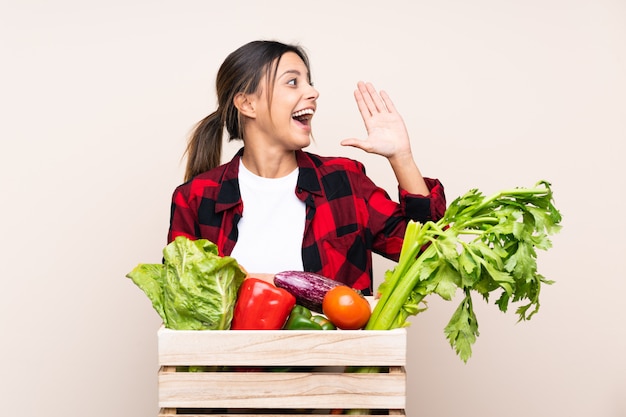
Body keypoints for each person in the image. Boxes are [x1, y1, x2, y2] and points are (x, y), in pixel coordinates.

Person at [167, 40, 446, 296]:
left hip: (334, 352)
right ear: (247, 103)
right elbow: (184, 300)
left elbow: (426, 252)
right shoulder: (195, 198)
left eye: (309, 83)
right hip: (234, 353)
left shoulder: (344, 182)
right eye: (292, 82)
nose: (313, 92)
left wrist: (402, 157)